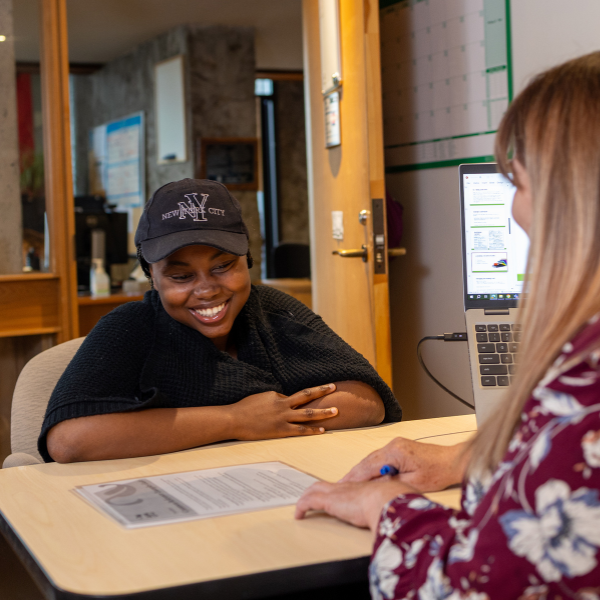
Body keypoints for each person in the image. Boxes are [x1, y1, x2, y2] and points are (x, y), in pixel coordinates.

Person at [295, 52, 600, 598]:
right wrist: (471, 455)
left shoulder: (587, 375)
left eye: (520, 184)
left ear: (568, 197)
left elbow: (476, 586)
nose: (515, 214)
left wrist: (386, 507)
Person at [39, 179, 401, 464]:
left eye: (223, 266)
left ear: (248, 258)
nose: (207, 290)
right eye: (181, 277)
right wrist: (236, 420)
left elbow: (368, 400)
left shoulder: (272, 310)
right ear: (152, 276)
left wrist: (272, 419)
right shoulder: (131, 327)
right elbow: (68, 440)